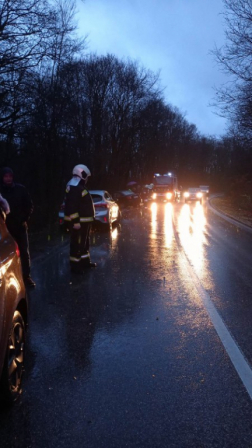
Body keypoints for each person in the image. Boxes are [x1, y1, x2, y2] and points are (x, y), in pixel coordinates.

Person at [0, 167, 35, 287]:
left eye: (10, 176)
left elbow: (29, 205)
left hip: (20, 227)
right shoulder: (1, 192)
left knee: (24, 253)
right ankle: (9, 280)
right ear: (2, 177)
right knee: (7, 255)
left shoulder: (21, 189)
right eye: (6, 176)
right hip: (5, 229)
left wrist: (24, 219)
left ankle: (26, 277)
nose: (8, 178)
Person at [64, 164, 97, 273]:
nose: (87, 179)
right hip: (78, 223)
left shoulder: (78, 186)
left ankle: (84, 262)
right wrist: (75, 222)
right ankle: (75, 267)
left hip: (84, 222)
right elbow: (71, 206)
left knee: (84, 243)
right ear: (81, 174)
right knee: (76, 244)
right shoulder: (74, 187)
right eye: (86, 176)